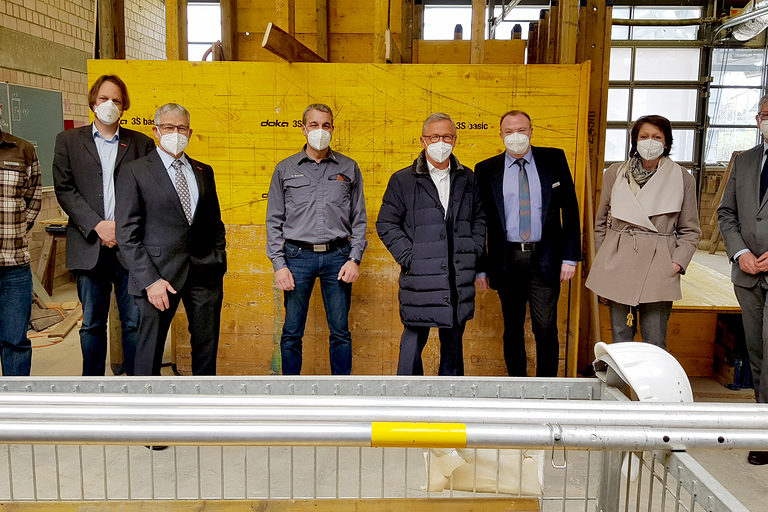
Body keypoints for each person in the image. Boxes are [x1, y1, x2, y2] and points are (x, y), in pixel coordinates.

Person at [53, 74, 155, 376]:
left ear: (124, 107)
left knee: (134, 323)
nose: (109, 105)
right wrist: (98, 225)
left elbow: (147, 194)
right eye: (103, 99)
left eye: (116, 100)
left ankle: (137, 391)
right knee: (92, 324)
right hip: (89, 246)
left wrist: (120, 230)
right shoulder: (68, 141)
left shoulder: (141, 144)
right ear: (92, 102)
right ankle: (93, 389)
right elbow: (65, 189)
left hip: (131, 250)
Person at [115, 103, 226, 376]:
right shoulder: (135, 171)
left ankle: (202, 404)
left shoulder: (203, 171)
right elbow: (127, 233)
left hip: (204, 273)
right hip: (157, 277)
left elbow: (215, 224)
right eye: (168, 127)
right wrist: (150, 280)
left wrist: (218, 259)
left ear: (190, 132)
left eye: (181, 128)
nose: (175, 133)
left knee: (206, 346)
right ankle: (146, 409)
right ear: (155, 131)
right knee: (148, 351)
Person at [376, 113, 485, 375]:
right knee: (412, 347)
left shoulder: (468, 179)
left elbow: (480, 218)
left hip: (457, 278)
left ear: (455, 140)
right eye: (434, 136)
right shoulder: (402, 180)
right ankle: (407, 401)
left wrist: (473, 250)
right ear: (423, 140)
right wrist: (409, 256)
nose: (441, 142)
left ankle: (450, 403)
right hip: (419, 280)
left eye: (446, 136)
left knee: (453, 348)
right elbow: (386, 223)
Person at [475, 110, 581, 377]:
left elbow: (570, 209)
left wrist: (570, 258)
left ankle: (547, 386)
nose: (516, 136)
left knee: (545, 327)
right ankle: (517, 385)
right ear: (500, 136)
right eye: (509, 132)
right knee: (512, 327)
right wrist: (480, 268)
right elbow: (479, 223)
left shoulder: (553, 159)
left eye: (521, 130)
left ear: (531, 131)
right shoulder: (486, 170)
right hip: (506, 260)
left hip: (545, 259)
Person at [266, 103, 367, 375]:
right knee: (291, 332)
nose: (320, 130)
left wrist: (354, 258)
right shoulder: (285, 169)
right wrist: (279, 264)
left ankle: (341, 393)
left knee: (340, 332)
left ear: (332, 129)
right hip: (297, 258)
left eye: (326, 125)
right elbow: (274, 220)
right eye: (314, 125)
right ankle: (290, 396)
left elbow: (359, 218)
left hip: (338, 257)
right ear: (303, 128)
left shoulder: (349, 167)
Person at [587, 115, 700, 349]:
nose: (650, 142)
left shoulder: (682, 178)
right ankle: (620, 386)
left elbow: (690, 230)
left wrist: (676, 263)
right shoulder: (615, 173)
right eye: (644, 136)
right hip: (618, 261)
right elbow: (600, 222)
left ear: (667, 142)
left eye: (657, 137)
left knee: (655, 338)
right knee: (619, 336)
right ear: (635, 141)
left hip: (659, 263)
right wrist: (604, 258)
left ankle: (652, 386)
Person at [717, 94, 768, 466]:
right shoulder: (745, 161)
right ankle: (760, 426)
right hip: (747, 274)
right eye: (765, 114)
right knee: (757, 354)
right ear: (756, 119)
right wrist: (740, 252)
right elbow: (726, 211)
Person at [0, 103, 42, 376]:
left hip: (14, 267)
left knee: (15, 341)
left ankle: (16, 407)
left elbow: (34, 198)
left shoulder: (23, 150)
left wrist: (12, 231)